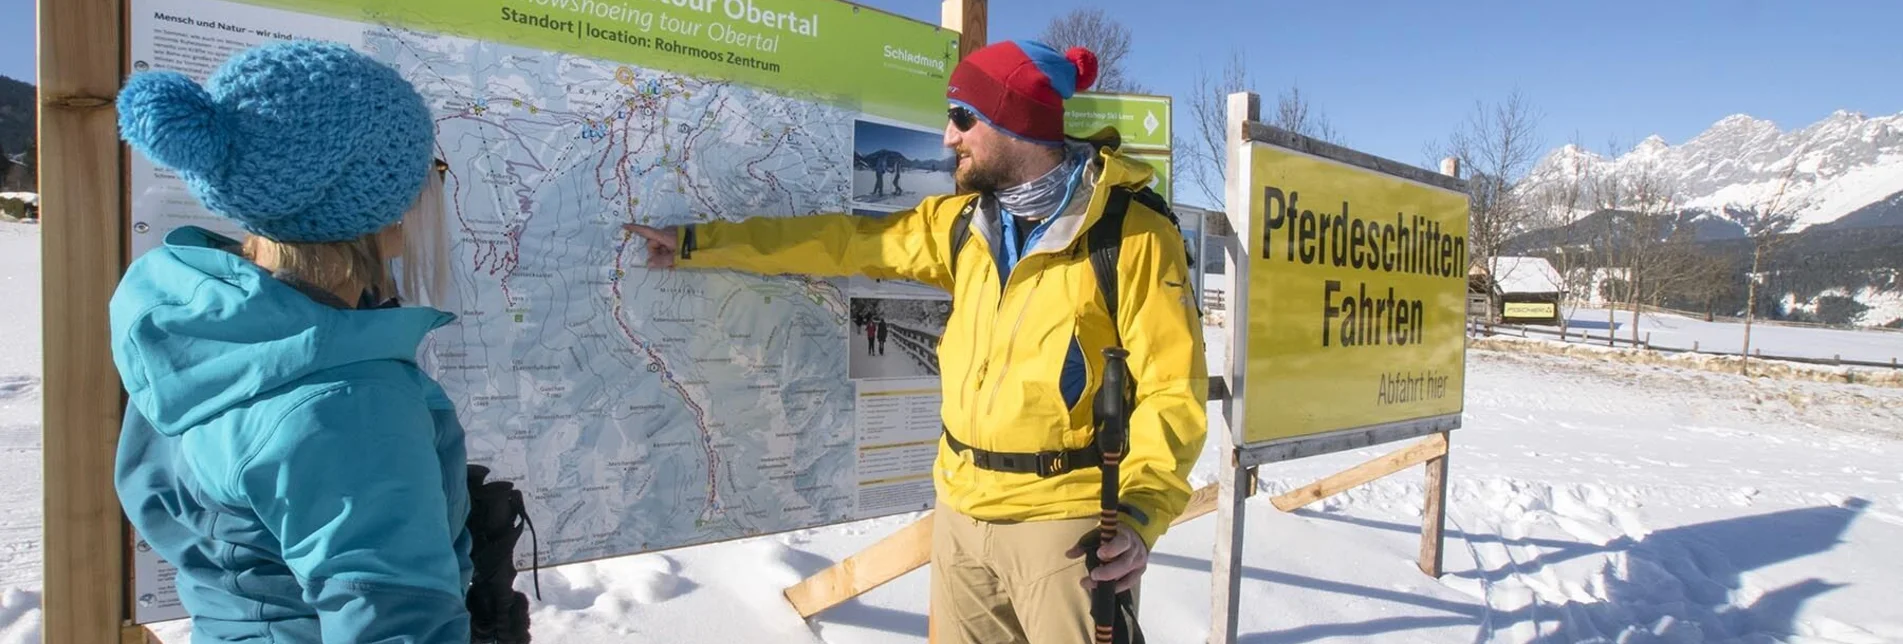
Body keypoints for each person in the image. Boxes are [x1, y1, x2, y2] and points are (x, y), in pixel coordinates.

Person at [628, 40, 1207, 643]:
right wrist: (698, 242)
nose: (947, 137)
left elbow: (1173, 389)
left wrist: (1140, 515)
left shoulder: (1131, 234)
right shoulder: (962, 226)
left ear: (1017, 124)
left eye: (962, 118)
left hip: (1067, 528)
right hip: (959, 515)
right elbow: (844, 242)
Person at [111, 40, 477, 643]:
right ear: (379, 205)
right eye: (428, 171)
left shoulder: (198, 331)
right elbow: (394, 626)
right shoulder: (350, 403)